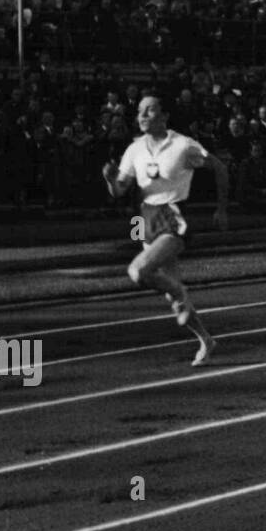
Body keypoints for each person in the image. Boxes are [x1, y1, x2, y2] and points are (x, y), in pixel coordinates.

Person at [102, 96, 229, 366]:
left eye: (150, 110)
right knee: (173, 296)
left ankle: (182, 295)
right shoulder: (134, 149)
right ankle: (206, 339)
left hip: (174, 217)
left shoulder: (183, 146)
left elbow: (219, 168)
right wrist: (110, 178)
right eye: (139, 111)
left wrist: (221, 208)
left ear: (164, 115)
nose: (143, 115)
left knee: (138, 271)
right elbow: (119, 190)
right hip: (147, 220)